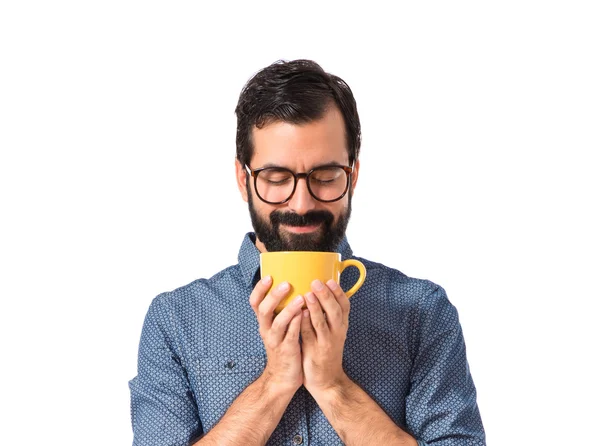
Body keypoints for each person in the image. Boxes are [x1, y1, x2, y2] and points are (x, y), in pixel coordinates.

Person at [129, 59, 486, 446]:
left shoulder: (422, 312)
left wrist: (334, 387)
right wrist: (273, 384)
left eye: (325, 176)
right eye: (277, 178)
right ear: (242, 179)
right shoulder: (176, 320)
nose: (300, 203)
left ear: (353, 176)